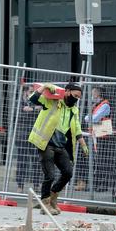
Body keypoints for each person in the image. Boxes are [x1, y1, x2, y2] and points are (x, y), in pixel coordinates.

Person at [28, 81, 89, 215]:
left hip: (61, 145)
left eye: (79, 97)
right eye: (75, 95)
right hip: (46, 142)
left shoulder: (74, 109)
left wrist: (83, 144)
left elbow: (77, 127)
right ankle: (45, 203)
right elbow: (32, 99)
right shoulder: (53, 102)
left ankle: (53, 196)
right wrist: (44, 87)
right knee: (49, 175)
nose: (77, 99)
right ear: (67, 91)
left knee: (68, 172)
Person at [75, 87, 111, 191]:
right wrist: (90, 117)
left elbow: (92, 119)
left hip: (102, 136)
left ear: (97, 95)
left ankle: (100, 185)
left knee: (99, 161)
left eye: (93, 94)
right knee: (90, 160)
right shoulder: (96, 105)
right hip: (94, 135)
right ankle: (90, 184)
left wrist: (90, 117)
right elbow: (87, 118)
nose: (91, 96)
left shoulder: (104, 105)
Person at [16, 85, 41, 193]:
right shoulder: (18, 102)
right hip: (22, 136)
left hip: (34, 135)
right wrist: (34, 110)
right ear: (25, 92)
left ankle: (36, 184)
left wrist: (30, 110)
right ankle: (20, 185)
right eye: (31, 91)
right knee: (22, 161)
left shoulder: (36, 101)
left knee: (36, 160)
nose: (32, 93)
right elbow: (19, 115)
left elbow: (41, 113)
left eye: (34, 91)